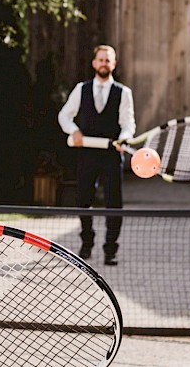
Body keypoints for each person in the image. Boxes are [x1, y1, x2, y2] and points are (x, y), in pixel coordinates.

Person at [57, 44, 135, 266]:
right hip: (87, 154)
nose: (104, 63)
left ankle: (110, 250)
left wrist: (124, 137)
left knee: (114, 203)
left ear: (114, 64)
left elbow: (128, 123)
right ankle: (86, 243)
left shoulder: (123, 93)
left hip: (111, 156)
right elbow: (64, 116)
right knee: (83, 200)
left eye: (108, 60)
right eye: (100, 59)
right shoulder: (81, 89)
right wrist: (74, 131)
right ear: (94, 63)